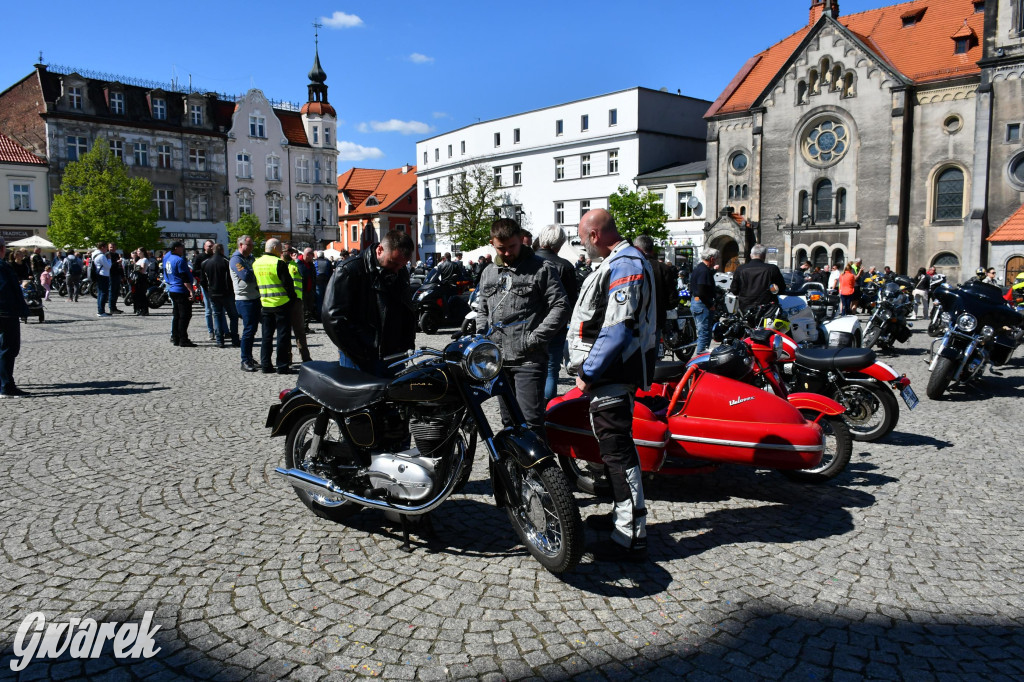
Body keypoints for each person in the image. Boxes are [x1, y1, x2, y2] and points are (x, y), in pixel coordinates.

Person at [567, 208, 656, 562]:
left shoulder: (625, 264)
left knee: (617, 452)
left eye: (582, 238)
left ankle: (631, 535)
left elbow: (618, 328)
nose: (582, 245)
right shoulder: (621, 260)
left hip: (612, 374)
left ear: (594, 235)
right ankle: (625, 517)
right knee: (613, 450)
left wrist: (588, 370)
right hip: (612, 372)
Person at [477, 219, 567, 432]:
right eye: (501, 248)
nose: (507, 253)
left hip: (529, 360)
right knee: (509, 423)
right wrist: (482, 337)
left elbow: (561, 306)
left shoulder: (541, 268)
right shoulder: (488, 272)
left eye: (512, 247)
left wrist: (535, 338)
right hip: (498, 361)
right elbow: (482, 309)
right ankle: (510, 465)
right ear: (492, 243)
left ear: (521, 240)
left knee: (531, 423)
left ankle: (540, 466)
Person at [323, 230, 416, 377]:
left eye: (402, 265)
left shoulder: (400, 271)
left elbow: (406, 310)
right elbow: (332, 318)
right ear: (380, 250)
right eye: (393, 263)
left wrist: (407, 344)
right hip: (361, 358)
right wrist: (358, 351)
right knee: (359, 398)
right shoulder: (349, 270)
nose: (397, 269)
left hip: (394, 355)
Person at [534, 224, 579, 401]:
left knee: (529, 370)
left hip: (530, 324)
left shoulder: (528, 263)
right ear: (560, 242)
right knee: (551, 370)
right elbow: (571, 301)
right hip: (556, 326)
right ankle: (545, 411)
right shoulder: (565, 266)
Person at [253, 238, 298, 374]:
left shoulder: (256, 263)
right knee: (282, 336)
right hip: (281, 303)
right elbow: (288, 284)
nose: (281, 251)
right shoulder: (278, 263)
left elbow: (256, 285)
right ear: (273, 248)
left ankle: (266, 365)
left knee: (267, 336)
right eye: (279, 248)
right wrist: (293, 299)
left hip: (265, 304)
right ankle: (282, 366)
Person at [634, 235, 680, 357]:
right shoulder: (662, 268)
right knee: (651, 359)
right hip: (656, 318)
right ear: (652, 250)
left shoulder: (632, 265)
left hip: (635, 320)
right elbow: (672, 298)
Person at [0, 237, 30, 398]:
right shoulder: (2, 266)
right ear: (3, 249)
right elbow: (4, 290)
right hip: (5, 312)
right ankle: (6, 386)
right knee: (8, 348)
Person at [230, 235, 261, 372]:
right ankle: (245, 360)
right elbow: (246, 276)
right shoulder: (236, 259)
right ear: (241, 245)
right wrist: (256, 272)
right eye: (249, 244)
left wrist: (253, 272)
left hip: (254, 296)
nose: (252, 247)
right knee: (248, 329)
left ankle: (249, 356)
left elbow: (253, 273)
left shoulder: (250, 258)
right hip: (244, 299)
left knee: (253, 329)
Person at [729, 243, 786, 313]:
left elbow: (734, 290)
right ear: (764, 256)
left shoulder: (740, 269)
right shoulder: (772, 269)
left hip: (745, 308)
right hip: (767, 309)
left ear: (751, 255)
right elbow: (781, 288)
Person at [200, 244, 236, 348]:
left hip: (213, 293)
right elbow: (231, 279)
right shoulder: (226, 262)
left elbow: (203, 280)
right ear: (222, 250)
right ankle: (234, 338)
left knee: (217, 316)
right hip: (226, 293)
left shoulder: (205, 263)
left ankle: (219, 340)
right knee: (233, 316)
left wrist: (208, 290)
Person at [163, 241, 197, 347]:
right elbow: (184, 277)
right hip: (181, 290)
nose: (183, 249)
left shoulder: (169, 259)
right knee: (185, 316)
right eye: (182, 247)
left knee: (177, 315)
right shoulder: (179, 260)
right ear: (176, 248)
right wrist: (191, 291)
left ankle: (176, 337)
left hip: (173, 289)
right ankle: (183, 339)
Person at [282, 247, 312, 363]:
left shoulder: (295, 264)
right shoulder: (280, 265)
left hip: (297, 301)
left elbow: (304, 276)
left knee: (299, 331)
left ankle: (305, 357)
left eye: (291, 252)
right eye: (287, 252)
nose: (290, 254)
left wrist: (297, 261)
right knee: (286, 331)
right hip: (285, 301)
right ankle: (288, 357)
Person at [689, 247, 719, 354]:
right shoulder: (703, 270)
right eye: (715, 259)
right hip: (702, 304)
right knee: (704, 334)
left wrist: (714, 271)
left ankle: (702, 356)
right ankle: (700, 359)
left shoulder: (700, 268)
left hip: (698, 302)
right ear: (711, 259)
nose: (716, 261)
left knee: (704, 332)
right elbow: (701, 291)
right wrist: (710, 304)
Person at [192, 240, 216, 341]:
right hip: (205, 285)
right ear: (205, 247)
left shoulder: (216, 257)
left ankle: (221, 331)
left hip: (216, 286)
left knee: (218, 310)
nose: (211, 248)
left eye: (212, 246)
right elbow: (194, 271)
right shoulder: (200, 258)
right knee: (208, 309)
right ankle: (211, 331)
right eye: (209, 246)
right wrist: (204, 273)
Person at [91, 242, 112, 317]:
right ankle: (101, 311)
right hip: (103, 275)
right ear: (102, 247)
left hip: (98, 274)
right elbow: (108, 266)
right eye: (106, 247)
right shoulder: (102, 256)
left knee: (100, 293)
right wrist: (109, 259)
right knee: (103, 293)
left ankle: (100, 310)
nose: (107, 249)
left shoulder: (94, 254)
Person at [313, 250, 333, 321]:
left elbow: (313, 273)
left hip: (318, 282)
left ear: (317, 255)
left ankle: (319, 316)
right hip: (326, 281)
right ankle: (326, 315)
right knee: (326, 299)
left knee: (319, 299)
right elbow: (331, 272)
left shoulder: (315, 262)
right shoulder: (328, 262)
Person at [133, 249, 151, 316]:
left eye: (139, 252)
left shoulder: (144, 259)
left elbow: (143, 269)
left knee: (142, 294)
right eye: (137, 252)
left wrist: (136, 267)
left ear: (143, 252)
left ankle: (144, 310)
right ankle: (138, 309)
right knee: (136, 294)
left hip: (141, 278)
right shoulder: (139, 260)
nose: (137, 253)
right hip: (136, 279)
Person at [108, 245, 125, 314]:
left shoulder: (116, 255)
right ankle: (111, 308)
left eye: (114, 247)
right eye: (111, 247)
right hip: (111, 275)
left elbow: (120, 266)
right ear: (108, 248)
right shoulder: (107, 255)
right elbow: (109, 266)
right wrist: (116, 263)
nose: (112, 249)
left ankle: (114, 307)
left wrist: (123, 276)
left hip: (117, 275)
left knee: (116, 292)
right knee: (112, 291)